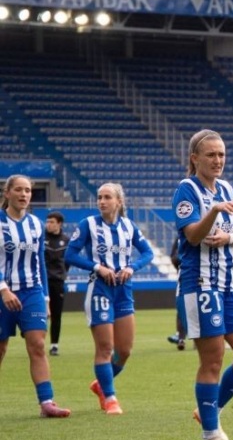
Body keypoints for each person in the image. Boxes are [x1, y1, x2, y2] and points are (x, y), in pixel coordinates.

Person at [174, 130, 233, 440]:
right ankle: (211, 435)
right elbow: (193, 236)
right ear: (195, 158)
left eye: (221, 154)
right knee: (212, 359)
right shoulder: (186, 191)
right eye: (211, 155)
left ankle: (208, 409)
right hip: (201, 285)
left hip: (230, 284)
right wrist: (213, 212)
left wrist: (229, 239)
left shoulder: (226, 188)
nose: (218, 160)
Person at [65, 183, 154, 415]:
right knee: (105, 348)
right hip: (100, 291)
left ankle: (101, 385)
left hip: (124, 291)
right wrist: (97, 267)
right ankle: (110, 397)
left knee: (124, 351)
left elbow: (148, 252)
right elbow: (70, 254)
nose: (102, 201)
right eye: (99, 197)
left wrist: (132, 267)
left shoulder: (129, 226)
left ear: (119, 202)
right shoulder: (88, 225)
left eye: (107, 197)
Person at [0, 175, 71, 418]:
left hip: (31, 292)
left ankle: (46, 402)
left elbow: (39, 262)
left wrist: (46, 298)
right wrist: (3, 289)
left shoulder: (35, 225)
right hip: (2, 292)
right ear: (7, 193)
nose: (24, 194)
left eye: (28, 190)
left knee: (38, 345)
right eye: (18, 190)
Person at [44, 211, 68, 356]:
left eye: (52, 222)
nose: (49, 225)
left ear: (59, 224)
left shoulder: (66, 241)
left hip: (57, 282)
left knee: (56, 314)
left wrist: (62, 273)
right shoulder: (41, 239)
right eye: (47, 222)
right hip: (42, 281)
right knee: (39, 312)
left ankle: (54, 345)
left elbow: (69, 260)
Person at [166, 239, 187, 350]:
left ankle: (181, 338)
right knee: (182, 308)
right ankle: (181, 338)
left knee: (185, 308)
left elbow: (173, 257)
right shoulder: (180, 238)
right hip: (185, 276)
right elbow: (173, 257)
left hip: (198, 276)